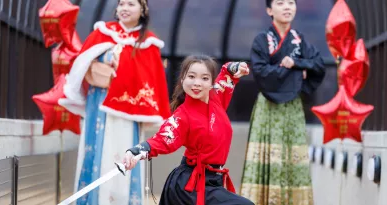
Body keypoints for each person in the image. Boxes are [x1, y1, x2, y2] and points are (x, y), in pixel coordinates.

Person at [58, 0, 171, 204]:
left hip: (131, 112)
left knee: (125, 152)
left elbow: (153, 82)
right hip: (99, 104)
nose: (124, 8)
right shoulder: (102, 33)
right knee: (96, 150)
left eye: (131, 4)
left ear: (143, 10)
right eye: (121, 4)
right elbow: (81, 65)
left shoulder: (148, 42)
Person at [122, 55, 255, 205]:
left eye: (204, 78)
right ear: (182, 79)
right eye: (191, 76)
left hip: (213, 181)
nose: (197, 83)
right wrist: (135, 152)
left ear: (212, 82)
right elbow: (161, 140)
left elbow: (227, 72)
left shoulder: (216, 97)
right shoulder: (183, 115)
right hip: (189, 185)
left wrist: (236, 67)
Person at [239, 0, 326, 204]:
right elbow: (261, 74)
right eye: (280, 3)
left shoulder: (299, 40)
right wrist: (296, 73)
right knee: (267, 155)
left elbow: (318, 66)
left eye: (291, 2)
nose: (287, 7)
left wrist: (296, 62)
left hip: (293, 107)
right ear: (269, 10)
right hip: (268, 105)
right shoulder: (262, 40)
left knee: (292, 155)